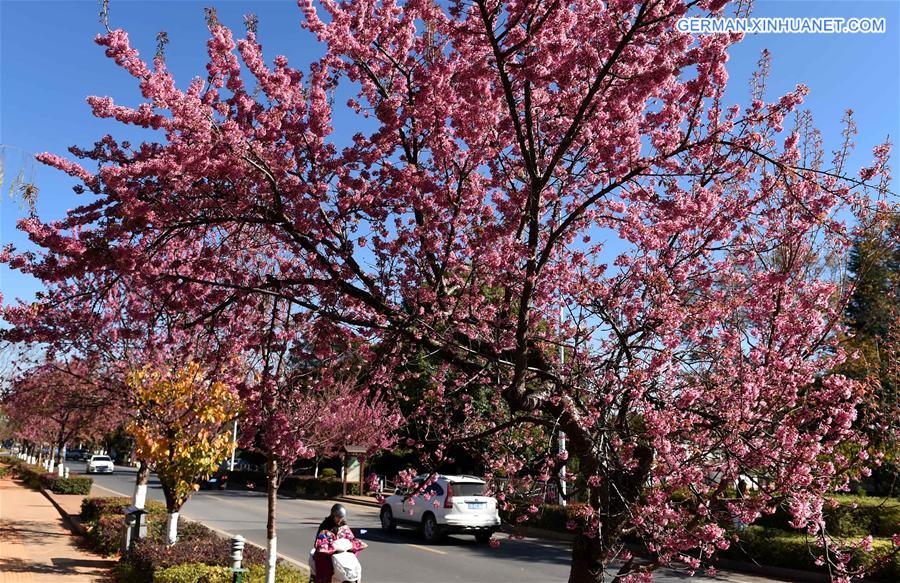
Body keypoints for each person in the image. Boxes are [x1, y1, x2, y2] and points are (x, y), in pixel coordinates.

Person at [312, 504, 367, 583]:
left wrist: (354, 542)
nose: (339, 519)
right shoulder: (326, 525)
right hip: (328, 551)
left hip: (341, 551)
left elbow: (349, 535)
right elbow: (320, 539)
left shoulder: (343, 524)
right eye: (338, 517)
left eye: (341, 517)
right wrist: (326, 544)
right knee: (325, 567)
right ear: (333, 515)